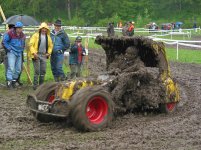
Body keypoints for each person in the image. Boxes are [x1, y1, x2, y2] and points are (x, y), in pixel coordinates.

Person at [29, 22, 53, 90]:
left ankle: (41, 86)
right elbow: (30, 45)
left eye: (45, 29)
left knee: (43, 71)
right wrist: (34, 53)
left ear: (47, 30)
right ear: (40, 29)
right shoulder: (35, 35)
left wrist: (49, 53)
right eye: (43, 28)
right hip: (36, 54)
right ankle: (35, 86)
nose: (44, 30)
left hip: (44, 55)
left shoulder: (48, 37)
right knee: (37, 71)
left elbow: (51, 46)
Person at [2, 22, 26, 89]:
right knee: (11, 68)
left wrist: (22, 48)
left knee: (18, 69)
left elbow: (23, 43)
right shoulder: (10, 33)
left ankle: (14, 81)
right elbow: (4, 41)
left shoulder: (22, 35)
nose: (19, 29)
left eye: (21, 28)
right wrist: (9, 49)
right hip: (12, 52)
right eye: (18, 28)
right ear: (15, 28)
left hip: (19, 52)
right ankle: (9, 82)